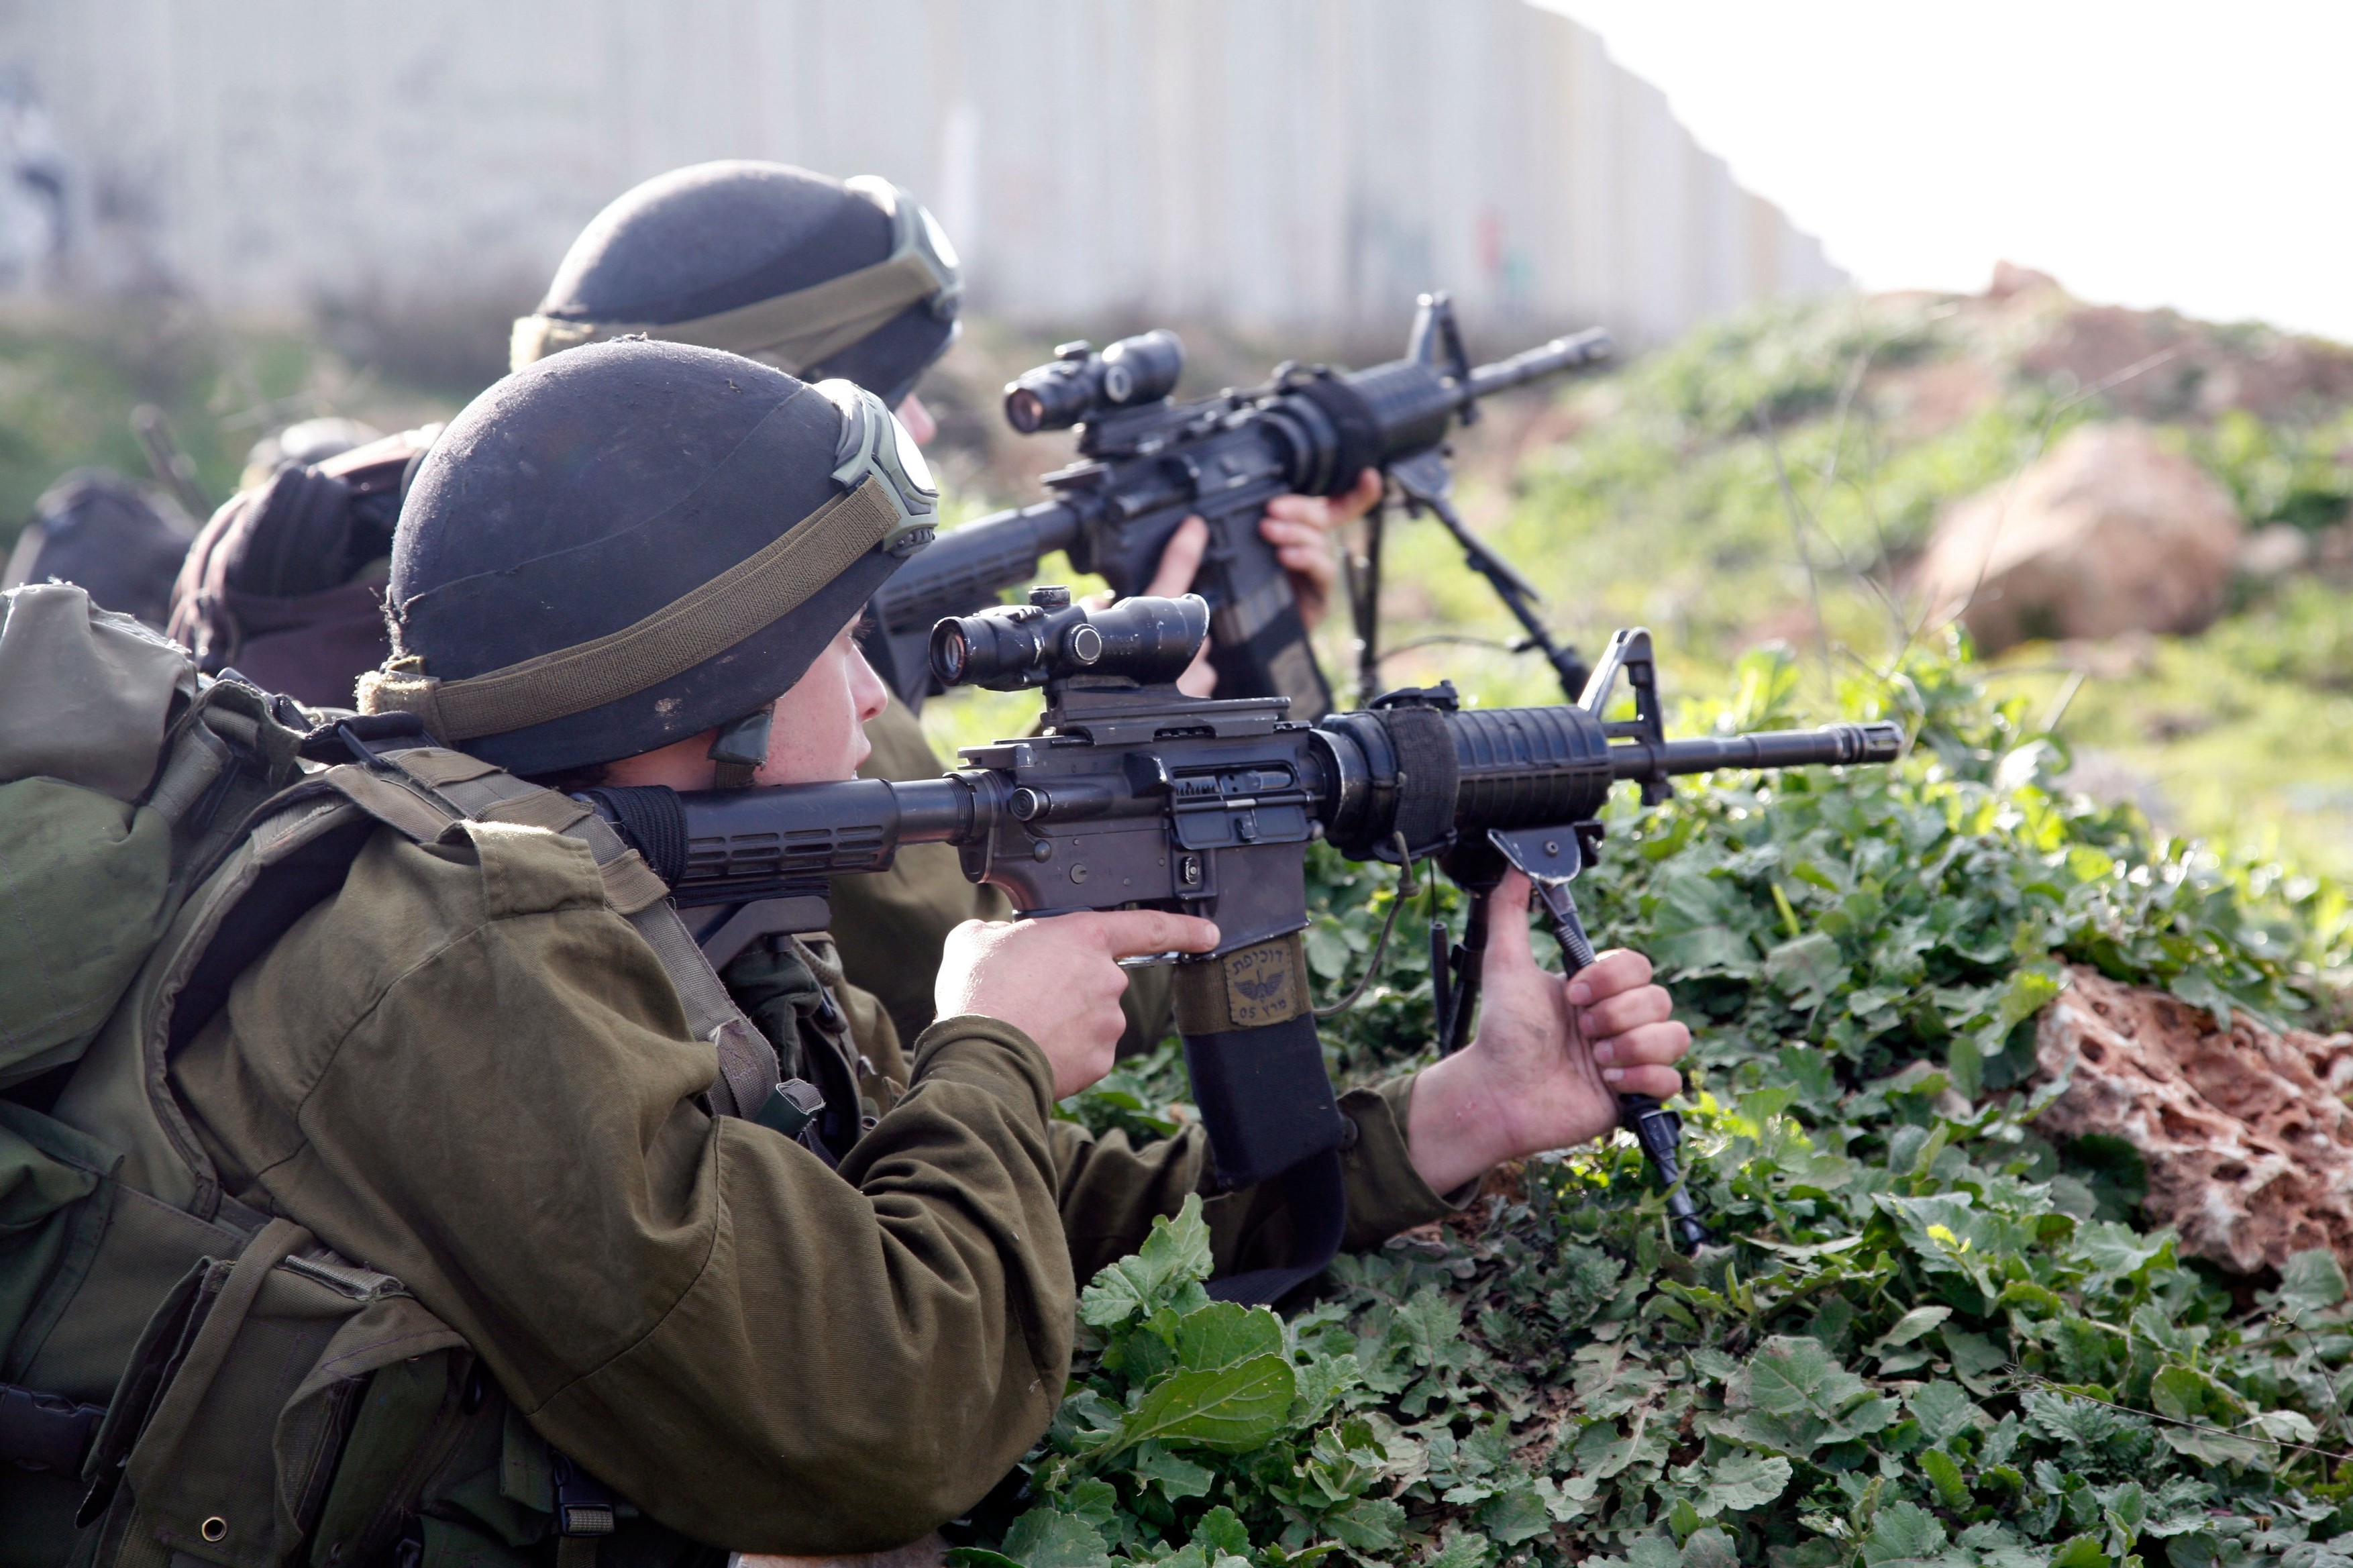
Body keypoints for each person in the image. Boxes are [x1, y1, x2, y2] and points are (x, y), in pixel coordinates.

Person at [113, 338, 1690, 1559]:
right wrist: (992, 1047)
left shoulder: (655, 885)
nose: (874, 704)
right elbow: (875, 1423)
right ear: (695, 697)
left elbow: (939, 1205)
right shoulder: (438, 958)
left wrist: (1451, 1117)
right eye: (835, 652)